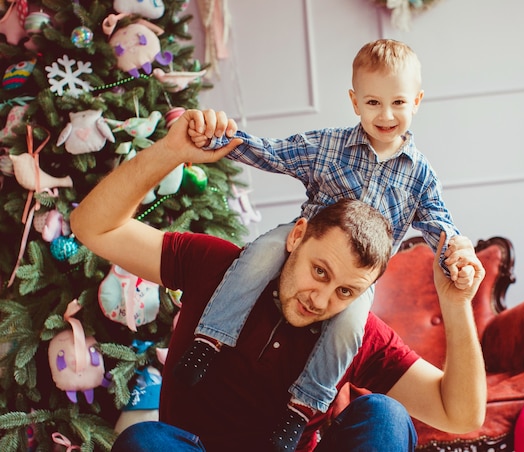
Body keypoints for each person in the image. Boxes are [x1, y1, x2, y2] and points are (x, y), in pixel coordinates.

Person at [70, 108, 487, 451]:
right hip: (194, 446)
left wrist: (456, 304)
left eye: (345, 291)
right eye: (319, 272)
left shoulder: (356, 333)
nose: (321, 300)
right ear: (297, 235)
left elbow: (460, 414)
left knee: (386, 416)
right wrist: (171, 152)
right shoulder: (216, 266)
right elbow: (93, 227)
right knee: (145, 441)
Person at [177, 38, 477, 441]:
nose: (386, 115)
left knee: (351, 321)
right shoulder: (330, 147)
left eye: (398, 103)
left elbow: (440, 226)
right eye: (373, 103)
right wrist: (214, 140)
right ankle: (210, 340)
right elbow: (272, 153)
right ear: (355, 102)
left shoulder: (419, 175)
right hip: (304, 245)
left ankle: (302, 406)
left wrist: (457, 251)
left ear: (417, 101)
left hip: (354, 276)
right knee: (260, 252)